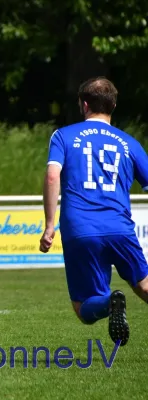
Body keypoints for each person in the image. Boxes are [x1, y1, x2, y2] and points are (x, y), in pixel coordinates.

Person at [39, 77, 148, 346]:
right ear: (113, 105)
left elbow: (53, 176)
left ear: (84, 104)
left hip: (81, 228)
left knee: (83, 307)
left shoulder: (64, 135)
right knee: (144, 286)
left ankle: (110, 303)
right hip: (120, 227)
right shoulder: (129, 143)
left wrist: (50, 225)